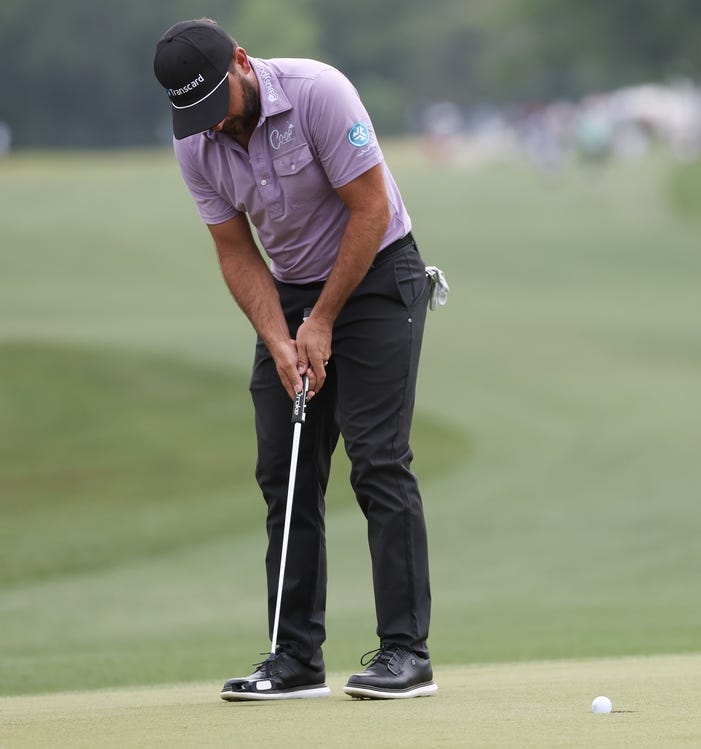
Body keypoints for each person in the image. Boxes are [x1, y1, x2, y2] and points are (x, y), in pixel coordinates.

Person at [153, 18, 438, 701]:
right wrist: (281, 337)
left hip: (374, 278)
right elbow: (234, 249)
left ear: (242, 64)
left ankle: (405, 653)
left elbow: (369, 210)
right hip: (288, 293)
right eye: (195, 115)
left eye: (215, 104)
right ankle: (295, 658)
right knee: (284, 469)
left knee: (375, 456)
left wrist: (324, 319)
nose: (213, 126)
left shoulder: (318, 93)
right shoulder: (197, 138)